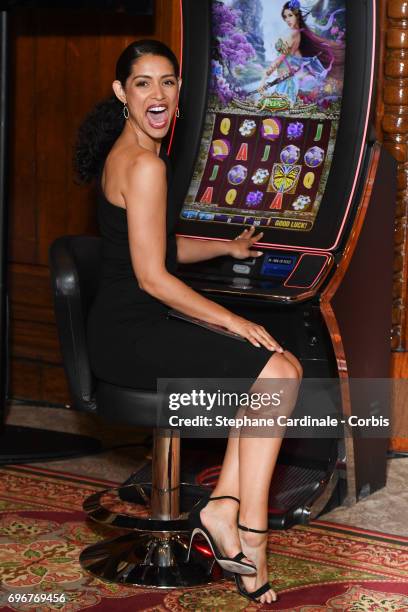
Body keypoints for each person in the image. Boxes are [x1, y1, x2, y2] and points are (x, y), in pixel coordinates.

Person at [76, 39, 302, 605]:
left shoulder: (130, 154)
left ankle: (226, 510)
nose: (158, 94)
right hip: (133, 332)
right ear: (121, 93)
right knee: (278, 373)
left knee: (280, 369)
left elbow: (157, 244)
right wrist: (233, 321)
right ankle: (249, 532)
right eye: (143, 83)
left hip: (122, 326)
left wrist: (227, 246)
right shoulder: (145, 163)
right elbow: (153, 278)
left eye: (168, 82)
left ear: (179, 92)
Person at [259, 0, 345, 107]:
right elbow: (295, 57)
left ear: (297, 16)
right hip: (286, 80)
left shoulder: (293, 34)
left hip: (287, 83)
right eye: (285, 17)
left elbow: (279, 60)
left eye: (290, 15)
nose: (287, 20)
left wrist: (264, 78)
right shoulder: (298, 33)